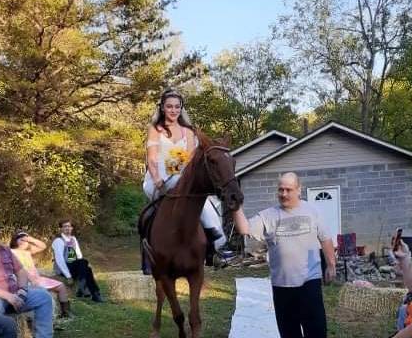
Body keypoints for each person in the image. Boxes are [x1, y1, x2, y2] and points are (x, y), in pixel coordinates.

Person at [231, 172, 336, 338]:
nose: (284, 194)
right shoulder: (268, 215)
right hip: (282, 286)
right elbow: (244, 229)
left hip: (309, 281)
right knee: (289, 333)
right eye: (281, 190)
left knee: (316, 331)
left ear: (299, 190)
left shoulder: (312, 211)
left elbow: (326, 239)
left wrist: (331, 265)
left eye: (288, 190)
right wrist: (236, 207)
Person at [141, 88, 226, 267]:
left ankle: (214, 244)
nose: (173, 110)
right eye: (169, 106)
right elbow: (152, 159)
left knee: (204, 200)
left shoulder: (188, 132)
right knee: (152, 210)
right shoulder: (155, 130)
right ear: (163, 108)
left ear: (181, 108)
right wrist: (157, 178)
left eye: (177, 107)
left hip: (181, 178)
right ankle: (149, 248)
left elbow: (189, 161)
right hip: (158, 180)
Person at [10, 231, 71, 318]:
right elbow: (19, 270)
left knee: (61, 286)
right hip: (25, 280)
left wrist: (30, 239)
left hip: (37, 278)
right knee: (42, 294)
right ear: (15, 240)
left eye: (26, 240)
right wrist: (31, 279)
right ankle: (46, 316)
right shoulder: (12, 252)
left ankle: (65, 313)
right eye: (21, 239)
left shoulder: (28, 252)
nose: (24, 242)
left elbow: (43, 246)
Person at [51, 220, 103, 303]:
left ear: (72, 228)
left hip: (73, 266)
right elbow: (59, 260)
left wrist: (83, 267)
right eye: (65, 226)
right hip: (63, 269)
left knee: (87, 268)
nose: (67, 228)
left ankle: (89, 291)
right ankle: (92, 293)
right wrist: (68, 276)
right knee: (85, 265)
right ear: (60, 229)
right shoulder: (58, 241)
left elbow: (79, 255)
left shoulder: (73, 239)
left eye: (69, 226)